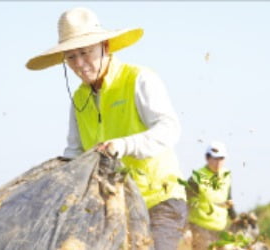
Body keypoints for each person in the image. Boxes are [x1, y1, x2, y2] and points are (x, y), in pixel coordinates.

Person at [26, 7, 186, 250]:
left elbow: (169, 129)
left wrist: (124, 145)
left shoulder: (138, 79)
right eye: (70, 57)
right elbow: (75, 153)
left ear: (106, 47)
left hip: (158, 200)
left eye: (85, 52)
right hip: (113, 207)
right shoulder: (79, 100)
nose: (79, 63)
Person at [186, 141, 237, 250]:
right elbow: (186, 202)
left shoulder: (226, 175)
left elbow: (228, 198)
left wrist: (234, 218)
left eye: (221, 159)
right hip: (200, 228)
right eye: (215, 159)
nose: (218, 162)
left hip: (220, 228)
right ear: (207, 158)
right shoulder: (196, 177)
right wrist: (186, 228)